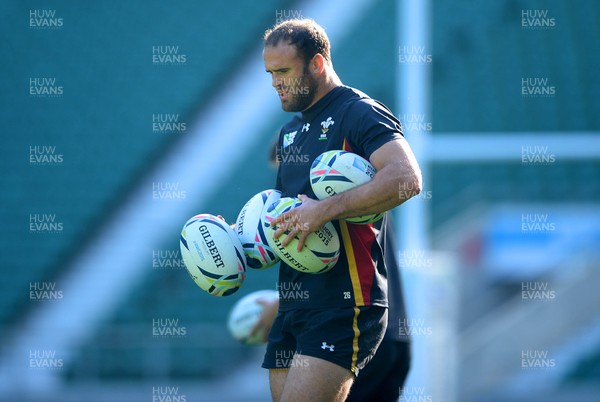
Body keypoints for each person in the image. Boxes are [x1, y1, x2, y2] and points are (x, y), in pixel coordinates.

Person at [259, 19, 422, 402]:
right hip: (296, 305)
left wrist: (326, 210)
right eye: (270, 74)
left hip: (344, 304)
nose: (275, 83)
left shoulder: (359, 112)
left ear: (316, 64)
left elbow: (407, 178)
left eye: (283, 71)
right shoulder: (290, 134)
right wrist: (241, 241)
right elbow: (291, 223)